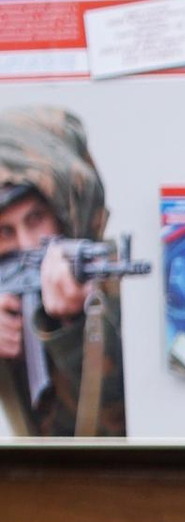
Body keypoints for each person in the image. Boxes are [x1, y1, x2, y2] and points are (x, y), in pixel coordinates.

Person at [0, 106, 125, 438]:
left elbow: (111, 427)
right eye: (5, 231)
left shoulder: (108, 282)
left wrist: (72, 327)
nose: (27, 244)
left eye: (35, 218)